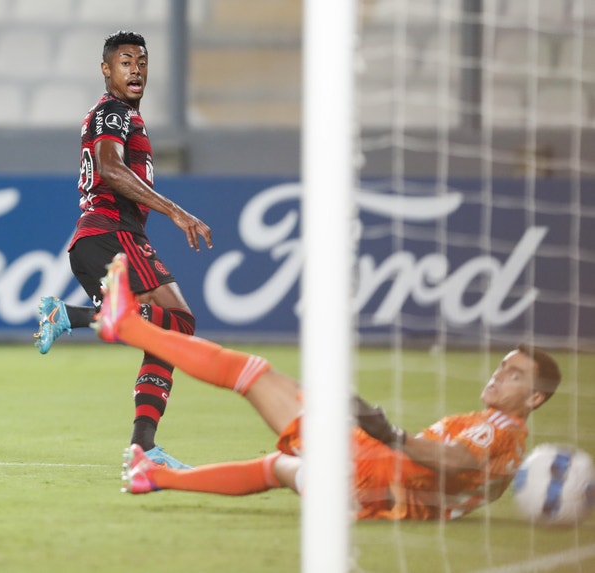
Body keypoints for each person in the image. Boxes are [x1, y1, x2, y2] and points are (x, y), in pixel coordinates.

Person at [94, 253, 563, 520]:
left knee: (252, 373)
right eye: (503, 366)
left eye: (515, 375)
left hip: (365, 470)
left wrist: (390, 434)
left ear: (535, 398)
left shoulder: (499, 430)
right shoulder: (510, 449)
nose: (498, 375)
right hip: (367, 497)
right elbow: (466, 483)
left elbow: (458, 459)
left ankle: (128, 325)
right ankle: (154, 476)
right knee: (274, 466)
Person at [33, 31, 213, 469]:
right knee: (179, 322)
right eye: (126, 62)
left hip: (106, 238)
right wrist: (176, 211)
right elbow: (111, 169)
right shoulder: (112, 113)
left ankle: (143, 448)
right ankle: (73, 317)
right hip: (111, 234)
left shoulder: (125, 116)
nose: (136, 70)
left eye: (142, 63)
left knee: (166, 334)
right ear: (106, 69)